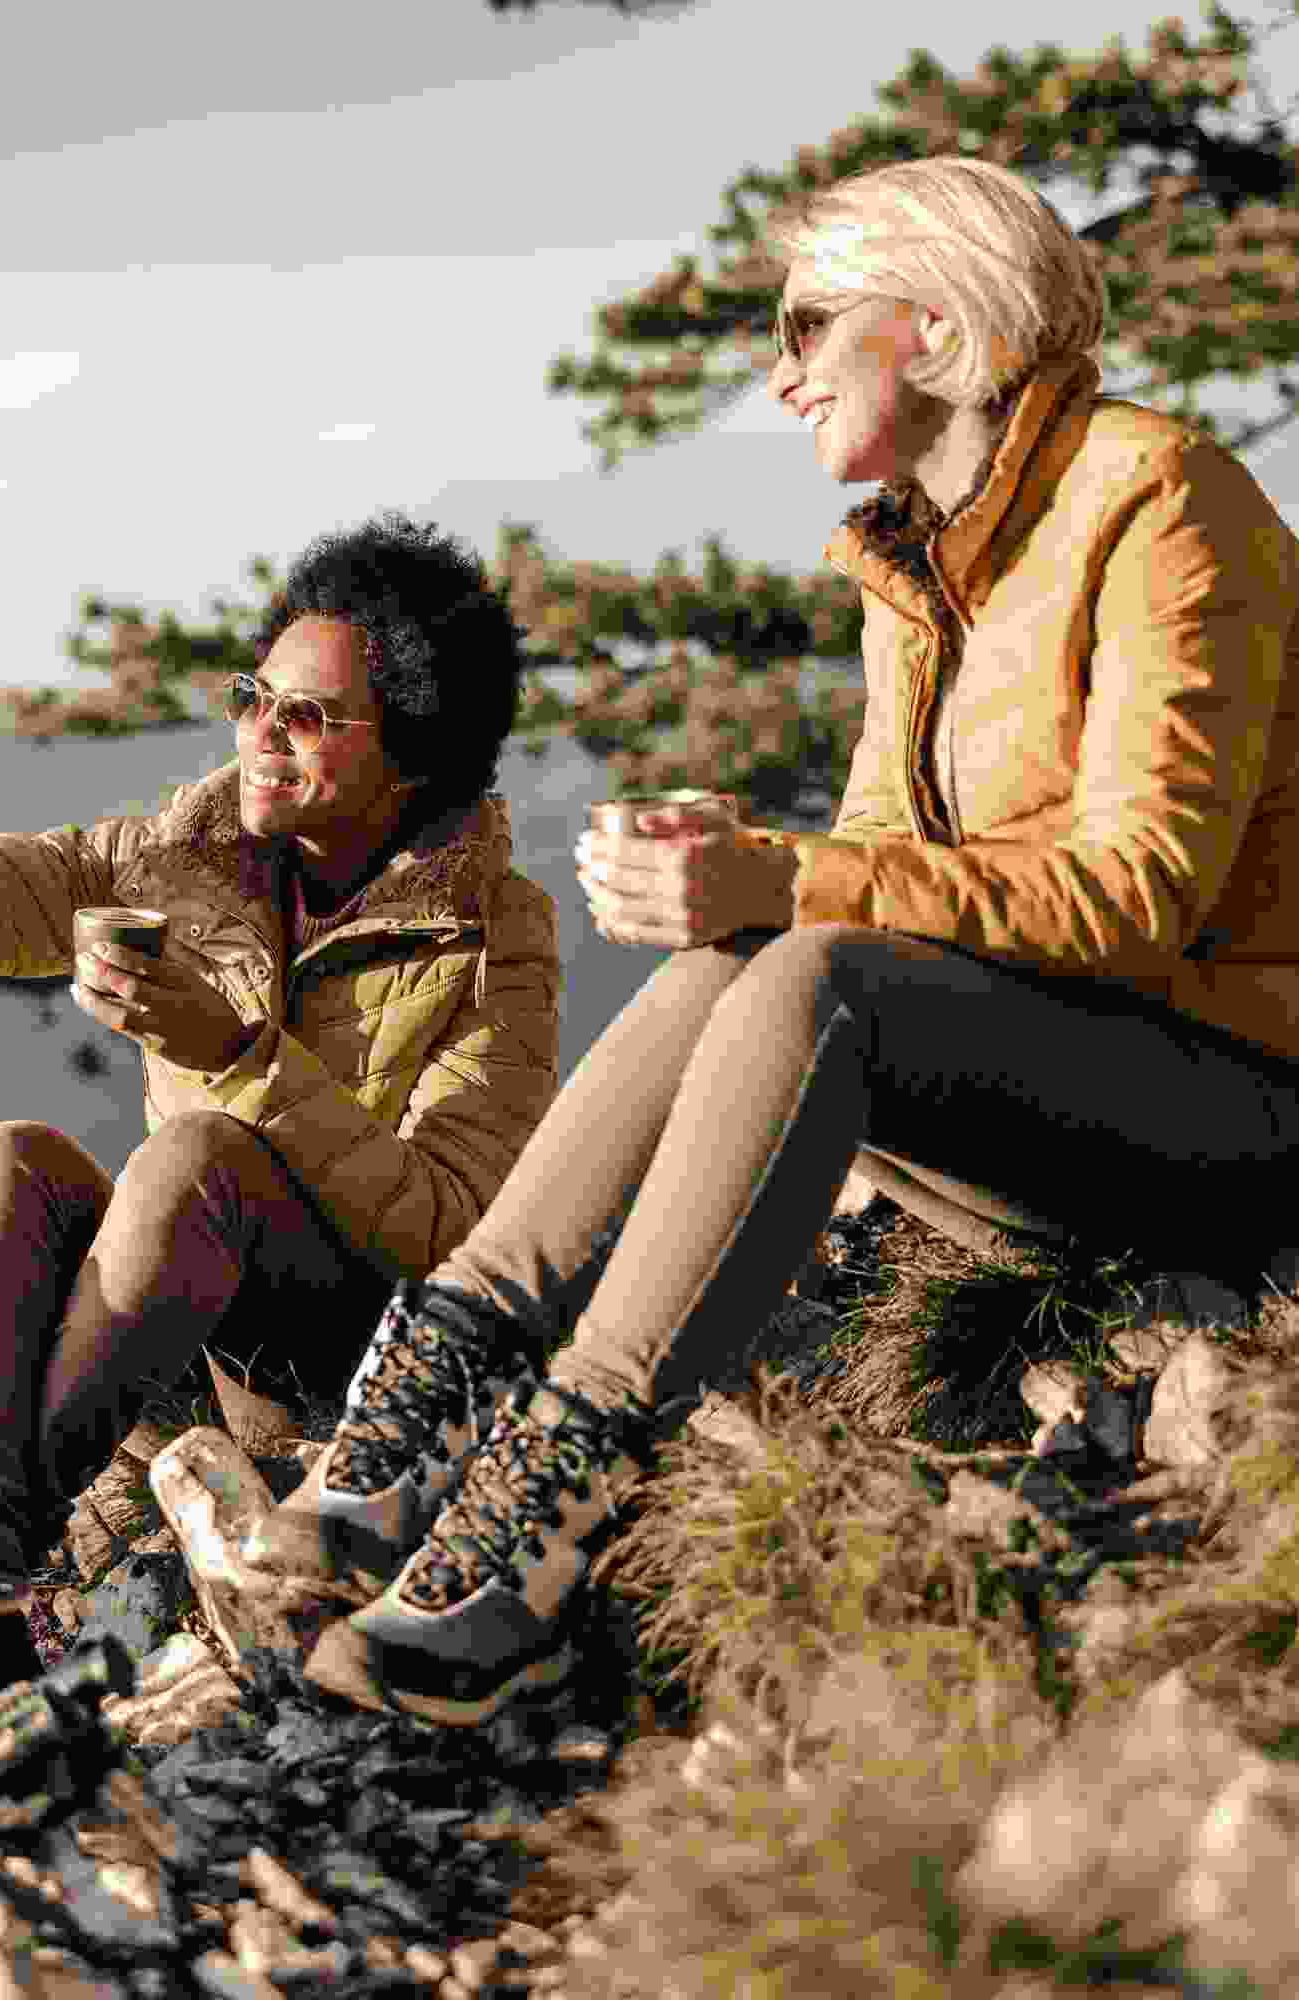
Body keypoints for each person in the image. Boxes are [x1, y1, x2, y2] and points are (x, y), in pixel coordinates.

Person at [259, 156, 1299, 1727]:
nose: (780, 366)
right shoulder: (915, 560)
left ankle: (552, 1512)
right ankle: (424, 1413)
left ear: (939, 331)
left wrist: (790, 882)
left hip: (1243, 1118)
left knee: (808, 964)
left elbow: (1139, 887)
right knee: (743, 959)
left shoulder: (1159, 499)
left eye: (812, 322)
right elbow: (889, 860)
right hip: (1065, 1105)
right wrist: (738, 876)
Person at [0, 512, 560, 1686]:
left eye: (306, 715)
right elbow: (24, 887)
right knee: (21, 1160)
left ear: (410, 752)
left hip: (359, 1364)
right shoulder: (184, 854)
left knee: (201, 1148)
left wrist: (241, 1050)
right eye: (254, 694)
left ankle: (6, 1533)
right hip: (194, 1343)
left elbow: (451, 1228)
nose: (258, 732)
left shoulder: (494, 932)